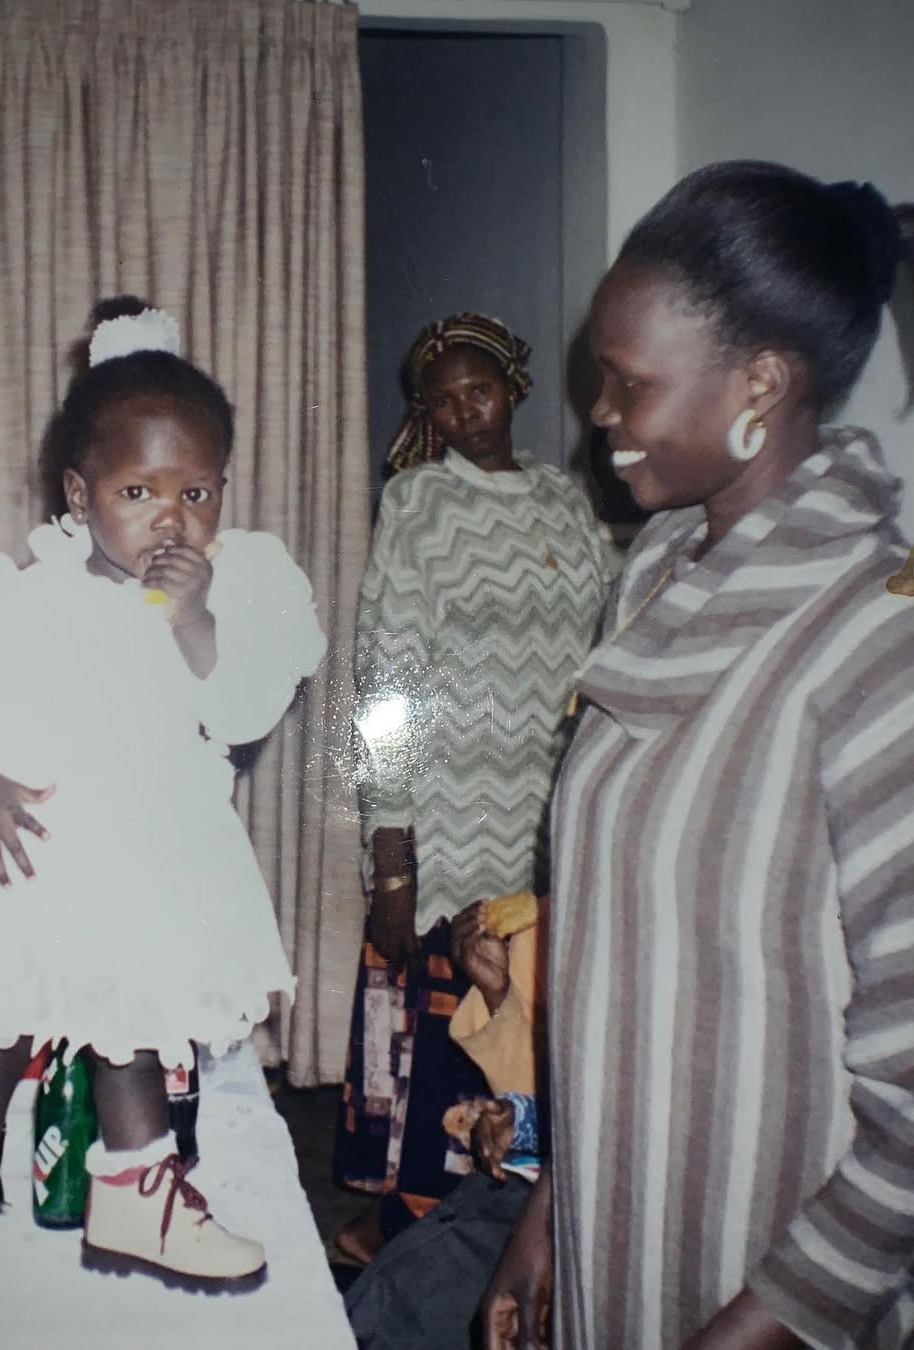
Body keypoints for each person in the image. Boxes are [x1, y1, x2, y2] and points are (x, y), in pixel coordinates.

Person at [482, 162, 914, 1350]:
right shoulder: (653, 581)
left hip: (767, 1283)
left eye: (630, 384)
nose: (600, 414)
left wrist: (759, 1327)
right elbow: (624, 966)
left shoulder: (878, 637)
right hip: (612, 1239)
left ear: (761, 383)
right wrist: (553, 1211)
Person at [0, 298, 327, 1343]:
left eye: (196, 492)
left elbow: (239, 709)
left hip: (145, 865)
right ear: (79, 494)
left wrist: (196, 618)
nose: (171, 518)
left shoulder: (222, 600)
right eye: (137, 492)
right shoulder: (23, 598)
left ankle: (137, 1193)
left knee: (135, 1036)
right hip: (29, 858)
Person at [334, 313, 607, 1261]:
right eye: (442, 402)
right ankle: (415, 1233)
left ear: (512, 388)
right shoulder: (420, 504)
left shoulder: (565, 499)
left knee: (526, 1021)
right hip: (454, 813)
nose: (464, 413)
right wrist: (391, 851)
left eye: (478, 391)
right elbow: (387, 679)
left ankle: (509, 1222)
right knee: (450, 1029)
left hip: (552, 807)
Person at [345, 897, 548, 1350]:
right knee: (386, 1304)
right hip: (537, 1181)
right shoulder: (553, 928)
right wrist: (498, 995)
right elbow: (556, 1096)